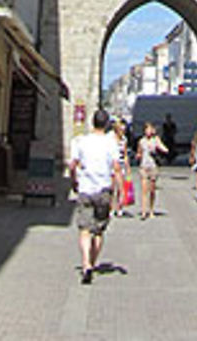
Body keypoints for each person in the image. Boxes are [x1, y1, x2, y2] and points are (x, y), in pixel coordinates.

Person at [69, 108, 121, 285]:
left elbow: (72, 164)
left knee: (84, 230)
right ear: (107, 124)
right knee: (98, 230)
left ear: (92, 122)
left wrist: (73, 180)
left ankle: (85, 264)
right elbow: (116, 168)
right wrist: (119, 192)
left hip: (85, 189)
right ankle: (92, 262)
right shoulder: (111, 142)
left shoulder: (81, 141)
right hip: (103, 189)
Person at [136, 121, 168, 218]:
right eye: (147, 129)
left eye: (150, 129)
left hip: (153, 166)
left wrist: (158, 146)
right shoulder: (141, 141)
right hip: (144, 166)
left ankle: (151, 209)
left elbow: (165, 150)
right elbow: (139, 153)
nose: (148, 131)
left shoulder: (155, 140)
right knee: (144, 190)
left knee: (152, 190)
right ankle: (144, 211)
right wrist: (138, 156)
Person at [111, 118, 132, 216]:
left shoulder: (124, 139)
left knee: (121, 187)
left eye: (124, 130)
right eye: (121, 130)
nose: (123, 132)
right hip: (111, 166)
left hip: (121, 165)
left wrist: (127, 167)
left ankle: (119, 207)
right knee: (112, 188)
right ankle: (111, 208)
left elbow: (125, 154)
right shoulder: (110, 138)